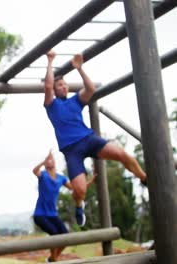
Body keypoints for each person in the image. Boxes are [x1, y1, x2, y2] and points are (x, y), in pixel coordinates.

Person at [43, 50, 147, 226]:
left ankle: (145, 179)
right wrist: (50, 62)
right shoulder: (51, 105)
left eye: (64, 85)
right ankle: (79, 205)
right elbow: (47, 86)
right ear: (54, 89)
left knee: (123, 154)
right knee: (80, 190)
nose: (63, 87)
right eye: (59, 85)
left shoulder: (75, 100)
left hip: (89, 140)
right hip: (72, 150)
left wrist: (79, 69)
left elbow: (91, 89)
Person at [32, 151, 96, 262]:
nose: (49, 160)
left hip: (53, 214)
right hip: (40, 214)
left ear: (55, 162)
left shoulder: (60, 178)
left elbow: (75, 188)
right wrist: (43, 161)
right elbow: (34, 171)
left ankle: (52, 258)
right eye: (48, 159)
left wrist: (91, 181)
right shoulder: (43, 175)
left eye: (51, 159)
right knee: (55, 235)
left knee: (66, 237)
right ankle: (54, 260)